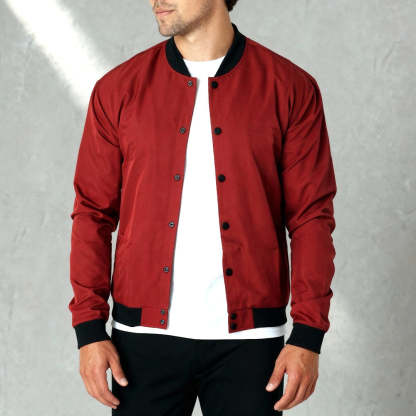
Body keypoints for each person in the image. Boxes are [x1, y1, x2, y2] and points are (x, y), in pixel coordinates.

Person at [68, 0, 337, 414]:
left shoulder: (290, 87)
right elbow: (92, 213)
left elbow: (311, 219)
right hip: (141, 342)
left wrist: (308, 334)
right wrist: (89, 329)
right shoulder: (118, 88)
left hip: (252, 343)